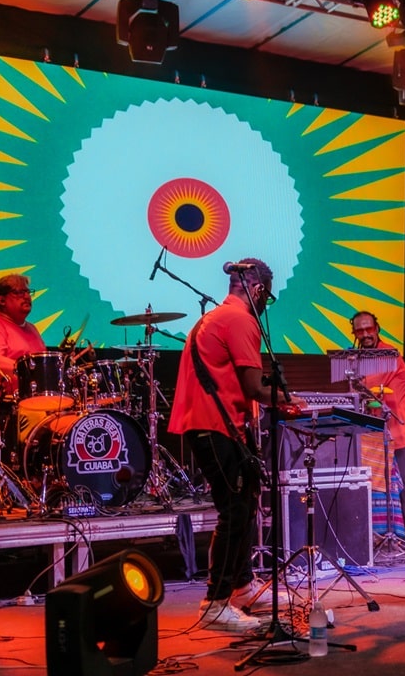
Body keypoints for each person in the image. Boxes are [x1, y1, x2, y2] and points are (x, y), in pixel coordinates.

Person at [168, 257, 305, 630]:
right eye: (267, 298)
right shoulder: (241, 320)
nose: (266, 306)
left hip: (209, 424)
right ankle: (214, 604)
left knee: (244, 506)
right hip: (215, 425)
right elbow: (254, 387)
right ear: (258, 290)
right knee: (234, 511)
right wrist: (290, 400)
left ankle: (241, 589)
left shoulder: (214, 317)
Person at [350, 310, 405, 538]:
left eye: (369, 329)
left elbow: (368, 386)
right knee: (377, 483)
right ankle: (381, 531)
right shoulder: (361, 359)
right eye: (360, 331)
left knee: (404, 481)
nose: (365, 334)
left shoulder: (389, 355)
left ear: (377, 329)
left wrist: (353, 374)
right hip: (376, 432)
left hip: (398, 429)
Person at [0, 273, 47, 400]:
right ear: (2, 300)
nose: (27, 296)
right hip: (6, 403)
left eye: (27, 292)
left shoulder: (32, 329)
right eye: (19, 292)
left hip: (36, 399)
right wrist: (35, 371)